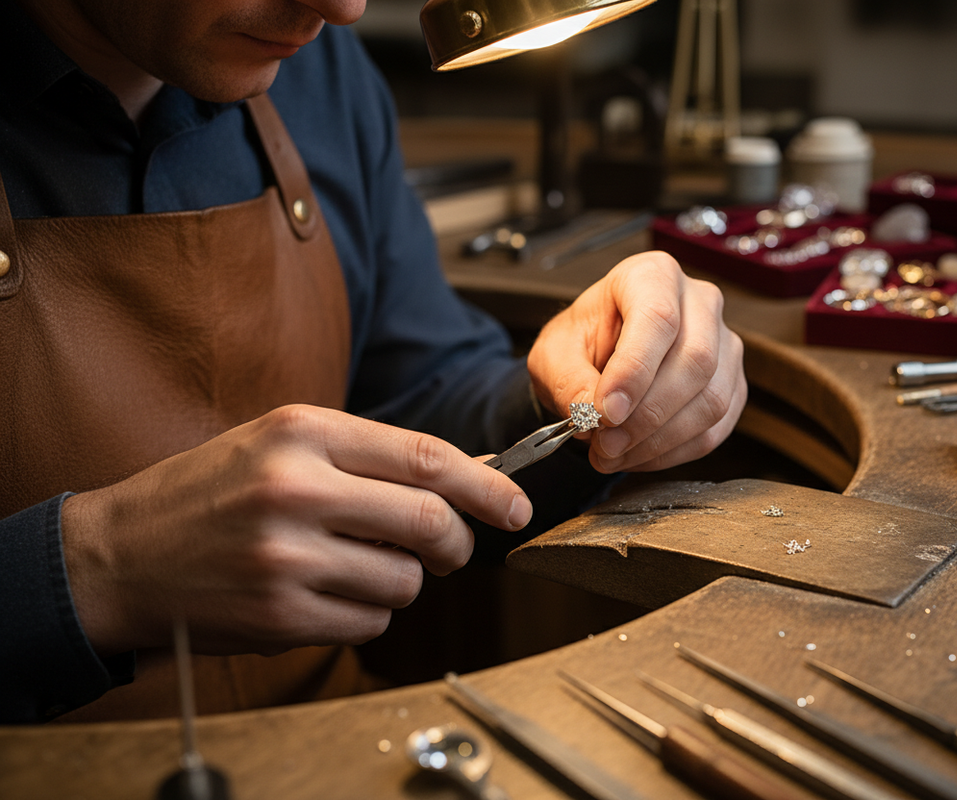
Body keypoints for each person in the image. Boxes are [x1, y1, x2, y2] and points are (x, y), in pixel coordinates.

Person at [0, 0, 746, 724]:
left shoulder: (318, 74)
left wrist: (574, 395)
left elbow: (416, 401)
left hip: (326, 739)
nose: (343, 9)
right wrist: (99, 568)